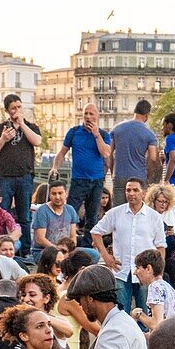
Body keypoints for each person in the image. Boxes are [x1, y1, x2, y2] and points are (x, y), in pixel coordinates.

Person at [90, 178, 166, 314]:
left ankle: (145, 335)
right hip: (121, 270)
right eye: (128, 190)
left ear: (143, 193)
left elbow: (160, 247)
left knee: (146, 311)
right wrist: (106, 256)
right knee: (120, 312)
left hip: (146, 272)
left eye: (135, 190)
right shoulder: (115, 213)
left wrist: (158, 273)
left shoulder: (154, 217)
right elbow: (96, 232)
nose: (131, 193)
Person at [0, 95, 41, 258]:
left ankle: (25, 251)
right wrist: (3, 139)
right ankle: (1, 248)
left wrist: (23, 124)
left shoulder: (31, 126)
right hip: (5, 176)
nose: (17, 110)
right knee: (2, 212)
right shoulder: (0, 129)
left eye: (19, 106)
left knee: (24, 214)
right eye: (13, 108)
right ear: (7, 111)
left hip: (24, 176)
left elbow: (37, 141)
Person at [51, 104, 111, 246]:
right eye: (86, 113)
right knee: (70, 212)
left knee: (92, 215)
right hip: (78, 179)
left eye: (91, 114)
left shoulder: (103, 134)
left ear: (97, 116)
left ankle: (87, 245)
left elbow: (106, 153)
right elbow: (62, 152)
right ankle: (64, 243)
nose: (88, 117)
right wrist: (55, 168)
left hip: (96, 180)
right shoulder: (74, 132)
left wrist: (96, 134)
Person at [109, 99, 159, 207]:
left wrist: (113, 170)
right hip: (139, 177)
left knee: (118, 211)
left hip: (119, 176)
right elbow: (153, 158)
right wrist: (148, 175)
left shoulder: (117, 129)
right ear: (146, 115)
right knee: (138, 211)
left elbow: (108, 153)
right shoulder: (149, 134)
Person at [16, 272, 74, 347]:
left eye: (32, 295)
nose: (26, 299)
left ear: (46, 298)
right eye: (23, 295)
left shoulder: (56, 321)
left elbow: (69, 331)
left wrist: (39, 314)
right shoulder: (18, 320)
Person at [31, 181, 78, 262]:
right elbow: (40, 239)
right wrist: (59, 251)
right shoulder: (42, 210)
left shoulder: (70, 209)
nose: (57, 197)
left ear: (66, 194)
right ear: (49, 195)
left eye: (60, 193)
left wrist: (70, 250)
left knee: (94, 254)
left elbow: (73, 236)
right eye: (54, 194)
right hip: (44, 251)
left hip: (66, 250)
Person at [145, 182, 175, 286]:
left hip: (166, 253)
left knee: (173, 264)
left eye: (165, 202)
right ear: (154, 201)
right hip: (151, 252)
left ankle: (173, 294)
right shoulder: (147, 215)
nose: (163, 204)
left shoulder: (168, 215)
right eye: (160, 201)